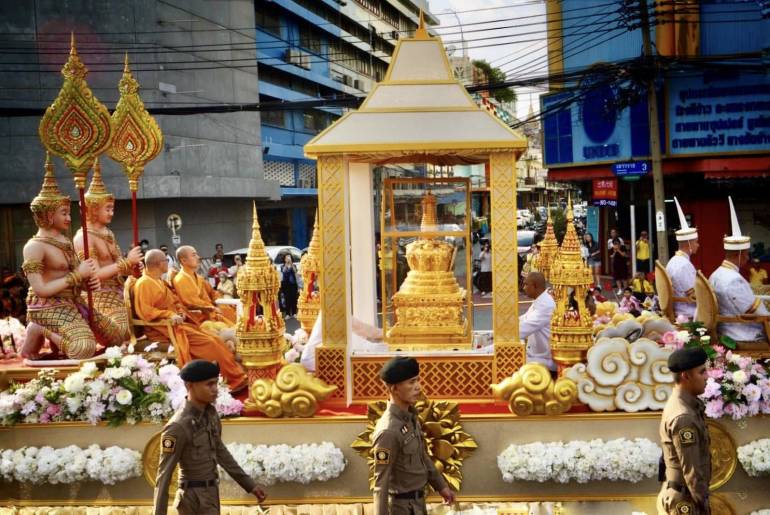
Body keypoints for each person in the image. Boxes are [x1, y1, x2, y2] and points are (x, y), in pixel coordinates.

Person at [21, 154, 123, 360]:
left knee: (117, 337)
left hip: (74, 301)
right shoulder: (34, 247)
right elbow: (41, 289)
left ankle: (60, 340)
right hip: (48, 305)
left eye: (69, 213)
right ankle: (39, 328)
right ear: (49, 215)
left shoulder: (66, 242)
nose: (69, 218)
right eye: (64, 213)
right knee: (83, 348)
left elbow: (80, 276)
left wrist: (88, 282)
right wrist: (77, 276)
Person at [153, 360, 267, 515]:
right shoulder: (178, 426)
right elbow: (164, 477)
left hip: (210, 495)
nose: (215, 389)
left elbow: (221, 452)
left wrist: (250, 485)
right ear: (189, 385)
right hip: (192, 500)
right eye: (209, 384)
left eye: (216, 383)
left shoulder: (210, 414)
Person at [134, 250, 247, 391]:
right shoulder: (143, 284)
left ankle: (234, 375)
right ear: (158, 263)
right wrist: (169, 314)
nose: (168, 263)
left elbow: (175, 302)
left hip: (178, 323)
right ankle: (232, 380)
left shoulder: (159, 281)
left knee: (214, 338)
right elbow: (146, 312)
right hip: (162, 329)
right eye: (166, 261)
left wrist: (180, 312)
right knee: (210, 342)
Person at [372, 357, 456, 515]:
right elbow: (380, 484)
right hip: (400, 508)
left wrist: (441, 487)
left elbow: (423, 457)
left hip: (417, 505)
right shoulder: (388, 431)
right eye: (411, 382)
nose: (418, 387)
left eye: (417, 380)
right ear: (394, 388)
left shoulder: (410, 417)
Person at [73, 161, 143, 343]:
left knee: (146, 323)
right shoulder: (83, 238)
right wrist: (127, 262)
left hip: (120, 292)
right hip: (100, 297)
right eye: (108, 208)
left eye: (112, 208)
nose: (112, 213)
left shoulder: (107, 233)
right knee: (122, 334)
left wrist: (133, 267)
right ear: (94, 210)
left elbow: (120, 267)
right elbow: (95, 275)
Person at [658, 347, 710, 515]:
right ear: (685, 376)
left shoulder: (687, 405)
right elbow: (692, 472)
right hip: (686, 501)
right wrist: (703, 503)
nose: (707, 377)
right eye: (702, 372)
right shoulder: (684, 416)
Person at [709, 197, 769, 342]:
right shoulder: (733, 279)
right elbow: (756, 311)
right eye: (747, 253)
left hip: (730, 329)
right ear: (740, 254)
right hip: (745, 334)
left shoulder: (716, 274)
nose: (748, 257)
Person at [173, 246, 237, 325]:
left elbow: (213, 292)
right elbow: (192, 302)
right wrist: (213, 308)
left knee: (229, 310)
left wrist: (224, 302)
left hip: (211, 311)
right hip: (199, 316)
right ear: (184, 260)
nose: (198, 257)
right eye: (194, 255)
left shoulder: (199, 278)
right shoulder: (181, 279)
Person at [666, 197, 699, 322]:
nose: (698, 245)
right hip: (688, 313)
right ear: (689, 244)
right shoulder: (684, 265)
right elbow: (694, 295)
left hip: (680, 310)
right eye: (696, 242)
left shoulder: (673, 261)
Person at [519, 272, 556, 371]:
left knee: (512, 359)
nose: (524, 288)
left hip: (545, 359)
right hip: (536, 355)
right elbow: (524, 319)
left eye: (526, 284)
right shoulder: (540, 300)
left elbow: (522, 329)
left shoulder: (546, 305)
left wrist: (501, 335)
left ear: (535, 286)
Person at [280, 253, 299, 318]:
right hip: (286, 285)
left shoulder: (294, 265)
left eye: (289, 257)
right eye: (286, 258)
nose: (288, 259)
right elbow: (284, 271)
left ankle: (294, 313)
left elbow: (295, 271)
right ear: (284, 259)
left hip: (293, 284)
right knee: (287, 298)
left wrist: (291, 263)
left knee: (294, 298)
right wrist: (286, 264)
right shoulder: (282, 266)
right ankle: (288, 314)